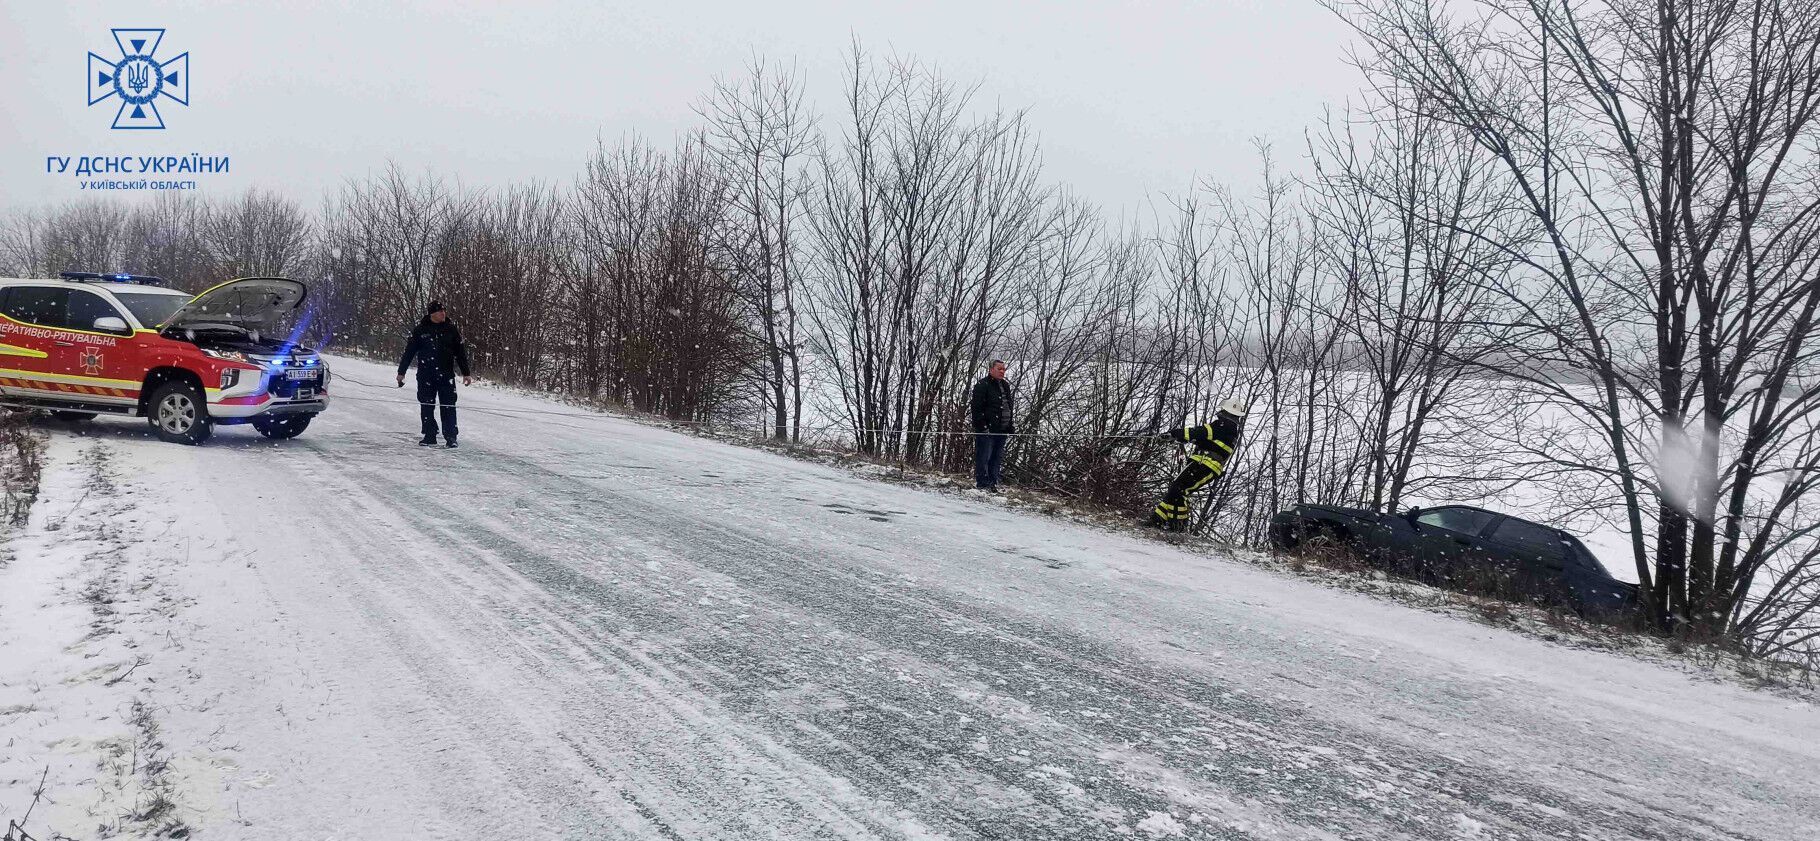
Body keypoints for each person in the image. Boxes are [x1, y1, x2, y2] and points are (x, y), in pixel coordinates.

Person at [1149, 398, 1247, 531]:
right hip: (1204, 463)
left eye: (1223, 410)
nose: (1221, 412)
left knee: (1179, 490)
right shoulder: (1228, 430)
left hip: (1205, 464)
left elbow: (1199, 432)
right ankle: (1157, 520)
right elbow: (1205, 440)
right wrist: (1184, 439)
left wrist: (1174, 434)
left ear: (1227, 412)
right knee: (1175, 489)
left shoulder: (1223, 425)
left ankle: (1177, 527)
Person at [396, 301, 473, 448]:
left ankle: (451, 437)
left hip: (446, 375)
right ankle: (430, 434)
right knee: (426, 405)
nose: (443, 313)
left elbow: (460, 353)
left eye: (444, 310)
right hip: (426, 374)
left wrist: (466, 373)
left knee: (448, 405)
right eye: (440, 311)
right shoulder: (421, 330)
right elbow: (409, 352)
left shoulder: (451, 330)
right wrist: (401, 372)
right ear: (432, 314)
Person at [969, 359, 1016, 491]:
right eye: (999, 369)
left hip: (1002, 429)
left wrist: (1010, 425)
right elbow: (976, 409)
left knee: (996, 458)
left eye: (1004, 369)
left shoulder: (1005, 385)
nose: (1002, 371)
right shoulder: (982, 385)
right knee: (984, 457)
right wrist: (983, 427)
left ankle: (993, 482)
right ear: (991, 369)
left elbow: (1008, 407)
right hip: (987, 430)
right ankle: (982, 484)